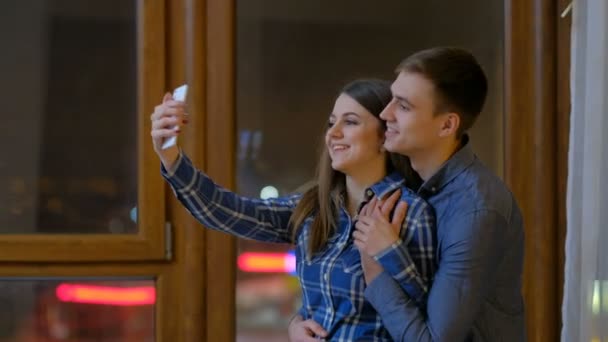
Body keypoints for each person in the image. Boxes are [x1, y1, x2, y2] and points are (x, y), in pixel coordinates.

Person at [150, 79, 437, 341]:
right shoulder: (314, 206)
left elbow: (424, 322)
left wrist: (388, 252)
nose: (333, 133)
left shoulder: (410, 213)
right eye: (331, 122)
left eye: (350, 122)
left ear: (384, 137)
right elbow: (229, 212)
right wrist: (170, 156)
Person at [351, 47, 526, 341]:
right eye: (391, 98)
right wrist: (301, 323)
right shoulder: (403, 185)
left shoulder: (477, 209)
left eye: (403, 107)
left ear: (447, 125)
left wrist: (375, 267)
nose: (385, 114)